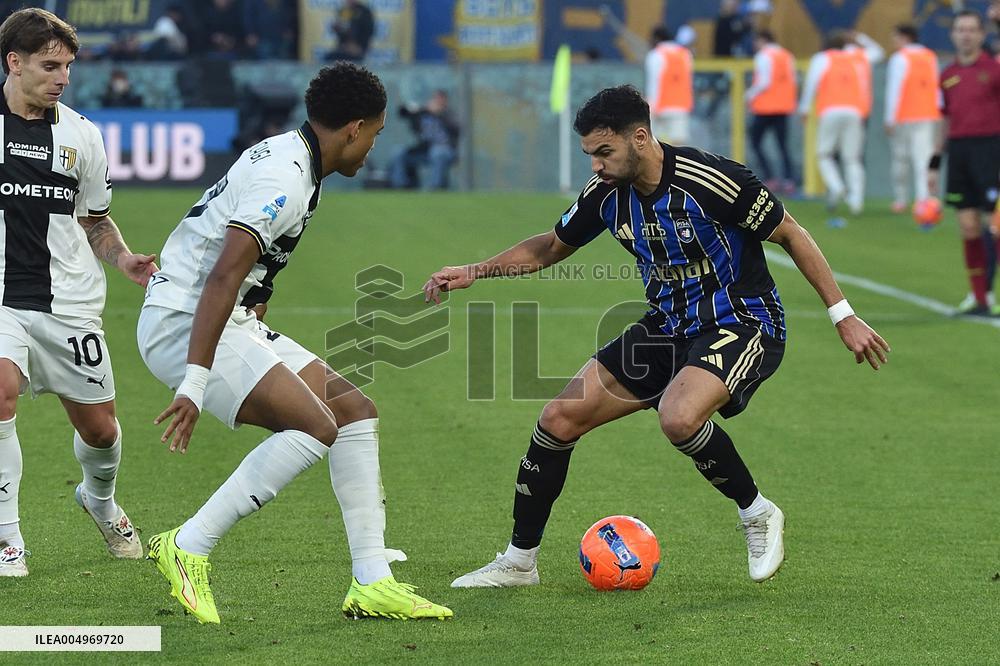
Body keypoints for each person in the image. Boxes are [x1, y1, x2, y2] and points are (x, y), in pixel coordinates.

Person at [424, 85, 889, 589]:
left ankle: (757, 513)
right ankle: (519, 562)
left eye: (605, 152)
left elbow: (791, 233)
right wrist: (476, 269)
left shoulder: (713, 180)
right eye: (591, 155)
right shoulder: (605, 194)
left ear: (640, 138)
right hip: (667, 325)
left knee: (678, 414)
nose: (596, 166)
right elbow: (549, 249)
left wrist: (842, 314)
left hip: (742, 321)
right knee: (559, 419)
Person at [137, 62, 452, 624]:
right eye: (376, 134)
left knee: (353, 410)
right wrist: (194, 380)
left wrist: (260, 302)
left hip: (220, 313)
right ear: (354, 128)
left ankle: (372, 581)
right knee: (315, 426)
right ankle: (188, 545)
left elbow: (248, 266)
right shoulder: (285, 175)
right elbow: (222, 275)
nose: (372, 148)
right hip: (185, 320)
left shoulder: (296, 157)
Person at [0, 8, 156, 576]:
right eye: (50, 65)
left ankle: (99, 498)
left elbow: (95, 220)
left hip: (69, 304)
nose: (63, 77)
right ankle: (6, 539)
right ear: (14, 63)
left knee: (100, 429)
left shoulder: (82, 135)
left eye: (67, 66)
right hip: (2, 301)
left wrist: (124, 257)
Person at [930, 10, 1000, 316]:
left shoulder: (994, 70)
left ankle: (989, 294)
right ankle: (977, 297)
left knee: (994, 228)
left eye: (972, 30)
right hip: (958, 152)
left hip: (990, 150)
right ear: (953, 34)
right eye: (960, 29)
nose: (966, 34)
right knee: (968, 227)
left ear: (981, 35)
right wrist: (935, 161)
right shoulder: (947, 75)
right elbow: (944, 119)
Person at [798, 30, 870, 226]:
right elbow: (877, 53)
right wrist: (860, 37)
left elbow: (812, 83)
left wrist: (804, 107)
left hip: (830, 111)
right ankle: (856, 200)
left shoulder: (822, 58)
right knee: (852, 158)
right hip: (855, 112)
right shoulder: (857, 57)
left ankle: (837, 187)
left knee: (824, 154)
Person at [884, 24, 941, 214]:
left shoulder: (899, 58)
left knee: (901, 160)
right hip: (927, 114)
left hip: (903, 116)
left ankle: (901, 200)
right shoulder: (930, 56)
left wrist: (889, 118)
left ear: (904, 37)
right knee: (923, 159)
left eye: (895, 38)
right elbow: (937, 86)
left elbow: (895, 89)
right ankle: (923, 201)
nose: (893, 42)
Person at [746, 30, 797, 194]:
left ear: (762, 40)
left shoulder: (763, 56)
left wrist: (748, 95)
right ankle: (789, 180)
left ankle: (770, 177)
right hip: (783, 107)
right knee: (782, 145)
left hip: (765, 108)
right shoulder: (787, 56)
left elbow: (764, 82)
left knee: (755, 141)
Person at [389, 90, 460, 190]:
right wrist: (416, 109)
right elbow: (402, 113)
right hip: (424, 151)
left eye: (441, 99)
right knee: (398, 153)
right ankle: (401, 187)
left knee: (437, 153)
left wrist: (440, 114)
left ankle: (436, 188)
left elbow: (457, 128)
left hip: (446, 150)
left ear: (445, 101)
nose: (438, 102)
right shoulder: (424, 113)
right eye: (436, 99)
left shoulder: (449, 113)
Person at [645, 26, 693, 145]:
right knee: (679, 147)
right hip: (681, 106)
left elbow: (653, 83)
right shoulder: (686, 54)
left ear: (656, 39)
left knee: (655, 146)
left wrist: (651, 106)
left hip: (660, 106)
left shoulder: (655, 55)